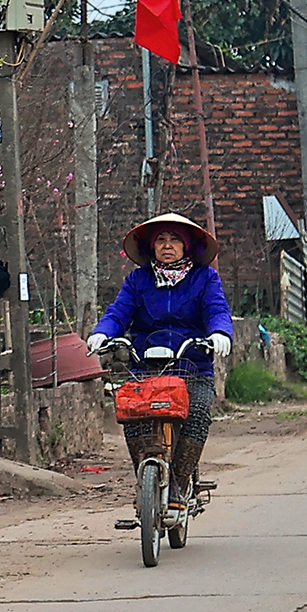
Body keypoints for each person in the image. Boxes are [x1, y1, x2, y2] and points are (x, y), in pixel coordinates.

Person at [85, 213, 233, 507]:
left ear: (187, 246)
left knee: (199, 413)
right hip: (145, 366)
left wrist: (219, 333)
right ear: (151, 247)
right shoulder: (138, 280)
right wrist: (102, 333)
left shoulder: (205, 278)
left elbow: (217, 309)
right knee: (131, 413)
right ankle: (146, 480)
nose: (167, 245)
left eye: (175, 239)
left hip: (192, 365)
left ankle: (179, 482)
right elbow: (119, 312)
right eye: (161, 240)